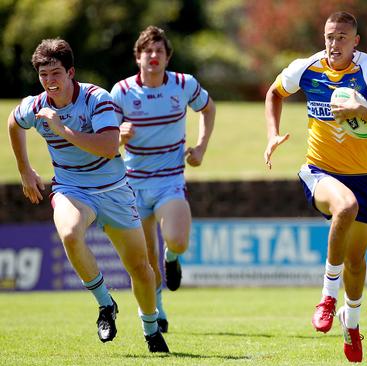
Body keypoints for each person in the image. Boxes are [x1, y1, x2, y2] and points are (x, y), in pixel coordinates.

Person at [7, 38, 169, 352]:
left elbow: (109, 148)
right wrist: (25, 169)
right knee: (69, 233)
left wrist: (61, 129)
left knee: (142, 270)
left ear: (71, 73)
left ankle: (151, 330)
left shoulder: (98, 99)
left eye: (55, 74)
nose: (49, 82)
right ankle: (105, 305)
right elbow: (13, 122)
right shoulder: (36, 106)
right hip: (71, 188)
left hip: (114, 190)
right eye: (43, 76)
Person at [263, 11, 367, 363]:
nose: (333, 43)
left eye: (341, 37)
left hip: (363, 178)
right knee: (345, 206)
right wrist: (273, 134)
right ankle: (327, 297)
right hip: (320, 171)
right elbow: (274, 94)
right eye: (329, 36)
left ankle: (351, 325)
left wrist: (360, 108)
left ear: (356, 42)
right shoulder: (307, 68)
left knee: (356, 263)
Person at [110, 26, 216, 333]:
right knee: (145, 261)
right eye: (147, 51)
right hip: (132, 186)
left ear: (167, 57)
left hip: (170, 180)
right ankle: (158, 311)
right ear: (138, 57)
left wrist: (201, 148)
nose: (153, 56)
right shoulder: (122, 91)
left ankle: (174, 258)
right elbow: (103, 137)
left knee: (178, 240)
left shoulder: (184, 84)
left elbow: (208, 109)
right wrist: (119, 135)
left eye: (159, 51)